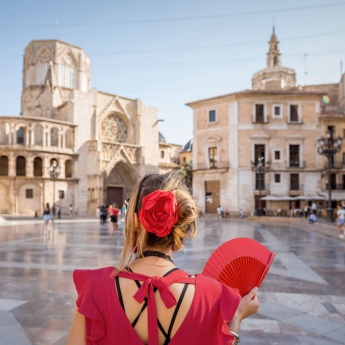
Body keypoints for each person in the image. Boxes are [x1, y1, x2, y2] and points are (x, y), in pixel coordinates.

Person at [67, 172, 260, 345]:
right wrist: (235, 321)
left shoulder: (94, 289)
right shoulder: (213, 296)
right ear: (181, 230)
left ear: (133, 222)